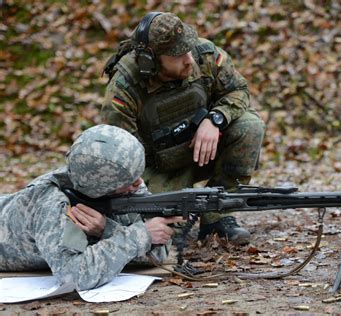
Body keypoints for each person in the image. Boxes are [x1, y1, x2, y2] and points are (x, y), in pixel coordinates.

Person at [101, 12, 266, 245]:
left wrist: (215, 119)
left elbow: (238, 91)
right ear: (151, 61)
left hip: (204, 150)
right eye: (178, 55)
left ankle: (217, 216)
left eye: (188, 48)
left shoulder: (204, 55)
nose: (189, 58)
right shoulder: (126, 85)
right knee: (165, 240)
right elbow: (119, 149)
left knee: (250, 125)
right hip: (159, 167)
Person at [0, 124, 183, 291]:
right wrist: (137, 236)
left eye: (138, 175)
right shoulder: (52, 205)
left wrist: (107, 230)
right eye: (130, 181)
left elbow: (157, 251)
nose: (139, 183)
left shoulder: (112, 187)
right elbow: (75, 277)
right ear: (101, 188)